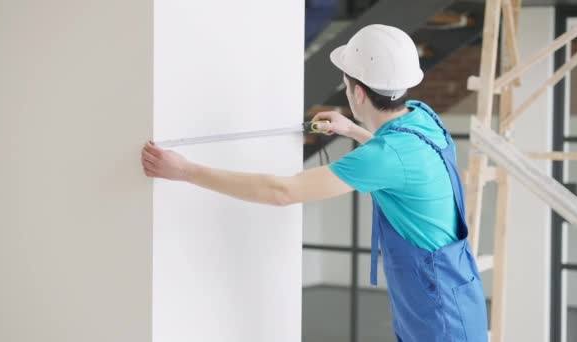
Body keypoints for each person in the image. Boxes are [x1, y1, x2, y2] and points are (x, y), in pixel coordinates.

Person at [141, 24, 488, 342]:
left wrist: (185, 170)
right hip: (456, 294)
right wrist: (350, 130)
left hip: (439, 318)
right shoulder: (421, 117)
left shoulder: (387, 155)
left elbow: (283, 192)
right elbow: (403, 162)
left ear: (358, 93)